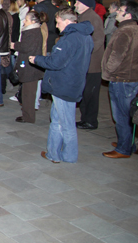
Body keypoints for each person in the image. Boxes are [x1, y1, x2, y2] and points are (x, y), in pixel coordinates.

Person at [30, 9, 93, 163]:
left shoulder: (70, 39)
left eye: (58, 22)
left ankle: (69, 156)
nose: (57, 26)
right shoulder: (86, 37)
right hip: (73, 83)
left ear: (66, 21)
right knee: (57, 120)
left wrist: (36, 59)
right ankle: (53, 153)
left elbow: (56, 63)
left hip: (64, 85)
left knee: (66, 124)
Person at [101, 1, 138, 158]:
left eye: (120, 10)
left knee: (121, 115)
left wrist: (107, 72)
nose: (116, 13)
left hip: (121, 79)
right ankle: (127, 142)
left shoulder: (124, 32)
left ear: (128, 14)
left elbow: (116, 57)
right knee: (127, 114)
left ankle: (123, 149)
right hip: (133, 77)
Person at [74, 0, 105, 131]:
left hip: (92, 65)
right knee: (85, 93)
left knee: (90, 94)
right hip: (85, 63)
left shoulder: (92, 18)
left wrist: (84, 52)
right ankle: (85, 119)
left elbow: (98, 40)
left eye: (77, 2)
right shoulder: (84, 16)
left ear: (85, 4)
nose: (75, 4)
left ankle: (90, 121)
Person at [10, 11, 45, 123]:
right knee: (26, 92)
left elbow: (27, 47)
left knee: (29, 94)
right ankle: (26, 114)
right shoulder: (31, 31)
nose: (24, 21)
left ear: (33, 21)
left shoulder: (33, 32)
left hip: (31, 68)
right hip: (28, 65)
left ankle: (28, 116)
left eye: (27, 19)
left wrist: (15, 45)